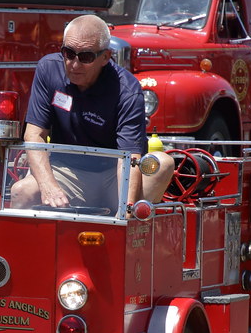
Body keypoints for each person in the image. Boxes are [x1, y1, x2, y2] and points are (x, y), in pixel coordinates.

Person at [10, 14, 174, 209]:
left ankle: (132, 229)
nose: (74, 64)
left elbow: (129, 158)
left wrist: (126, 209)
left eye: (85, 57)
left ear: (105, 57)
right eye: (69, 53)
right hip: (65, 172)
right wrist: (48, 186)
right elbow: (34, 134)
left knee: (163, 163)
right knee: (21, 191)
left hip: (112, 173)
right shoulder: (48, 69)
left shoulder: (127, 90)